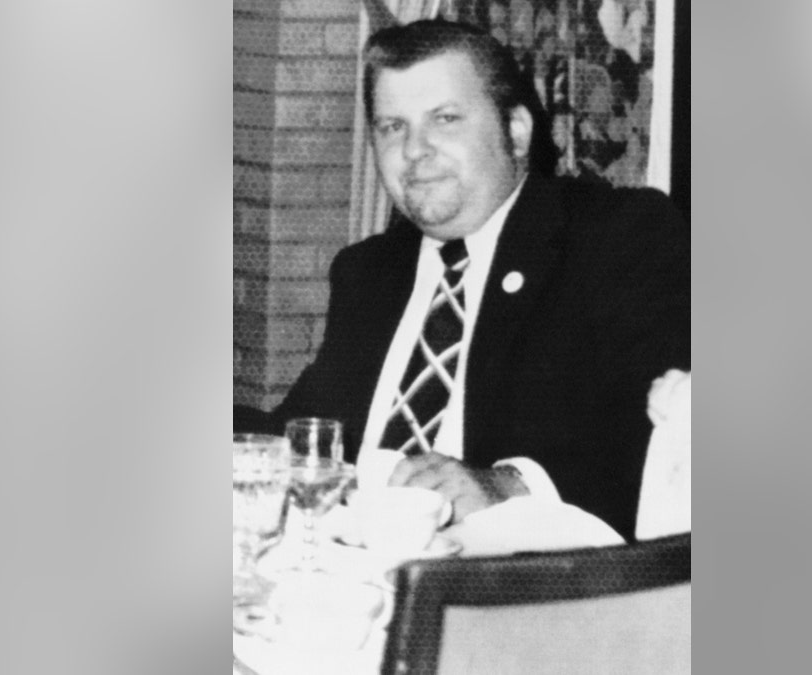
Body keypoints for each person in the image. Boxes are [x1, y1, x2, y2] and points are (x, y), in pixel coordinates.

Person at [235, 19, 689, 540]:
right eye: (392, 127)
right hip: (355, 570)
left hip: (523, 592)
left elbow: (666, 442)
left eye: (445, 119)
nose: (414, 150)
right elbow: (312, 438)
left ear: (516, 131)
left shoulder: (614, 236)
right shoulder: (369, 272)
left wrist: (510, 487)